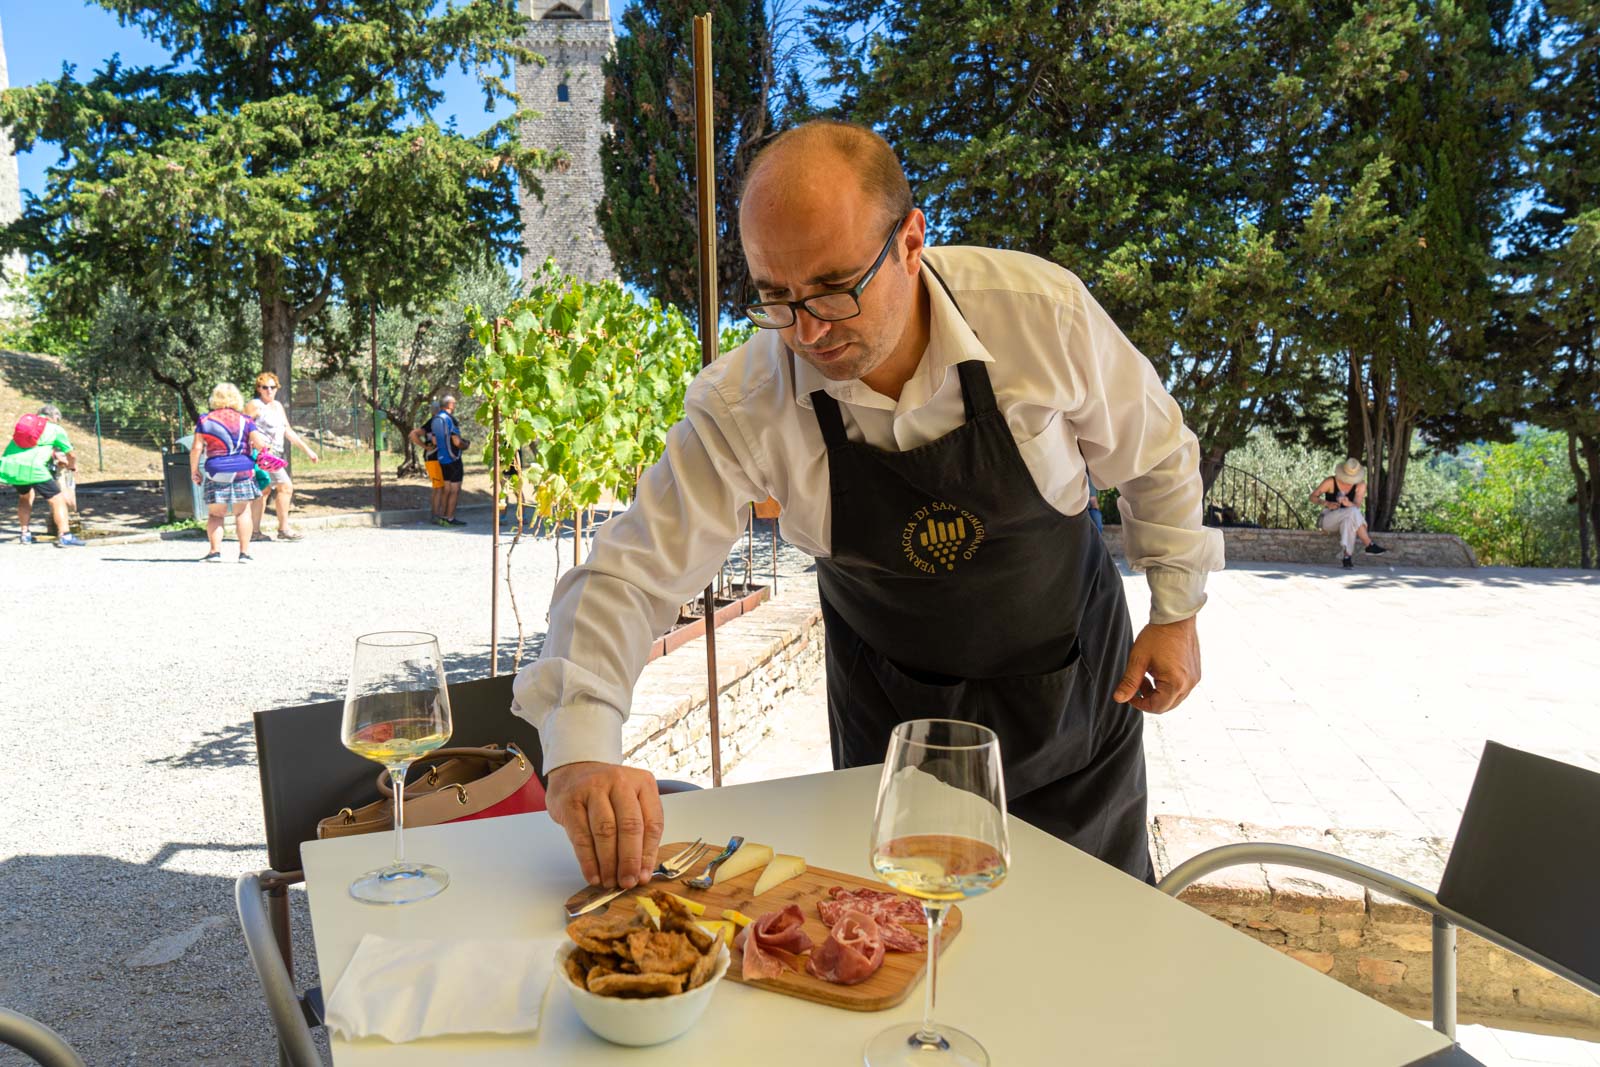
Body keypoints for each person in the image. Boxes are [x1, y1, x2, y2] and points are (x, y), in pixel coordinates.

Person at [513, 120, 1224, 892]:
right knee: (896, 933)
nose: (808, 330)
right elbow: (630, 572)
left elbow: (1156, 453)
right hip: (891, 733)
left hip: (1073, 704)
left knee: (1092, 929)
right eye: (777, 298)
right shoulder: (747, 401)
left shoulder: (1039, 316)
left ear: (911, 241)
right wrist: (582, 743)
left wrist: (1177, 610)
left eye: (834, 288)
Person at [190, 382, 268, 563]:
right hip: (243, 469)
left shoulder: (205, 420)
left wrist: (194, 470)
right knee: (242, 512)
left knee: (216, 514)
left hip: (217, 471)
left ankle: (214, 552)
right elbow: (260, 445)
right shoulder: (246, 420)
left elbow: (196, 448)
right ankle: (244, 553)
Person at [2, 405, 86, 547]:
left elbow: (33, 445)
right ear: (55, 418)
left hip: (11, 465)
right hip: (33, 468)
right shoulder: (56, 429)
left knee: (25, 497)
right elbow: (71, 454)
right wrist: (71, 466)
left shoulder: (28, 425)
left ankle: (25, 534)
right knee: (57, 499)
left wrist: (54, 455)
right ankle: (65, 536)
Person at [250, 372, 319, 541]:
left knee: (264, 490)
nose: (269, 390)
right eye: (265, 387)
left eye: (272, 387)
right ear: (259, 389)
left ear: (277, 388)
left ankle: (254, 531)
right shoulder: (255, 405)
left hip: (275, 454)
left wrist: (308, 450)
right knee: (286, 486)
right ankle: (283, 528)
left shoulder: (278, 406)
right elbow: (244, 426)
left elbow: (287, 430)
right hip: (262, 454)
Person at [1312, 458, 1388, 569]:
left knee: (1349, 520)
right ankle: (1368, 544)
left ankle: (1347, 558)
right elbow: (1312, 497)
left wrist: (1348, 503)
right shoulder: (1330, 481)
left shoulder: (1360, 485)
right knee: (1352, 512)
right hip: (1329, 519)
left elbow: (1356, 506)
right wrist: (1327, 503)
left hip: (1347, 519)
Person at [428, 395, 468, 527]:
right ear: (449, 404)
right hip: (454, 459)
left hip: (442, 458)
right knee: (455, 490)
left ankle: (443, 517)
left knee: (446, 488)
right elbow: (456, 441)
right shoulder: (450, 419)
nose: (455, 405)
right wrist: (465, 445)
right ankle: (450, 517)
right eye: (454, 403)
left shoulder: (436, 419)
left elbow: (434, 441)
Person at [408, 403, 446, 522]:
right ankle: (435, 515)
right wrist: (425, 447)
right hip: (433, 457)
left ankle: (439, 514)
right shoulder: (432, 423)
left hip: (441, 457)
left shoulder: (438, 422)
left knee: (441, 487)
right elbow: (413, 434)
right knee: (438, 487)